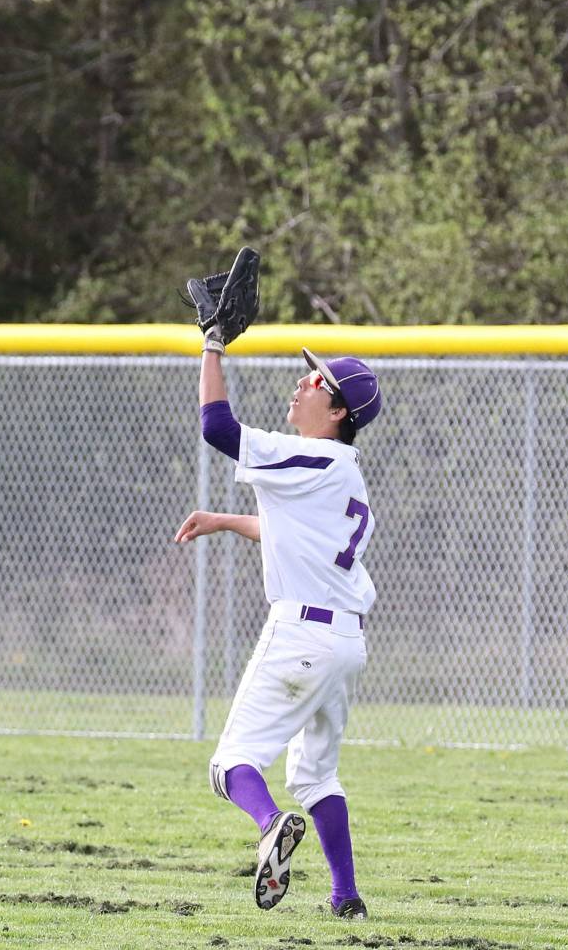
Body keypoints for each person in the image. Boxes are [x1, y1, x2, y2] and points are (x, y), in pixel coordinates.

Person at [174, 334, 381, 919]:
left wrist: (212, 345)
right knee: (317, 775)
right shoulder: (342, 473)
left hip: (299, 636)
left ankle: (269, 825)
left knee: (230, 762)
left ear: (339, 413)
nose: (303, 381)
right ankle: (346, 899)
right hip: (345, 642)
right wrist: (225, 520)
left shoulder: (312, 454)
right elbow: (293, 535)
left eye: (318, 381)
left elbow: (217, 427)